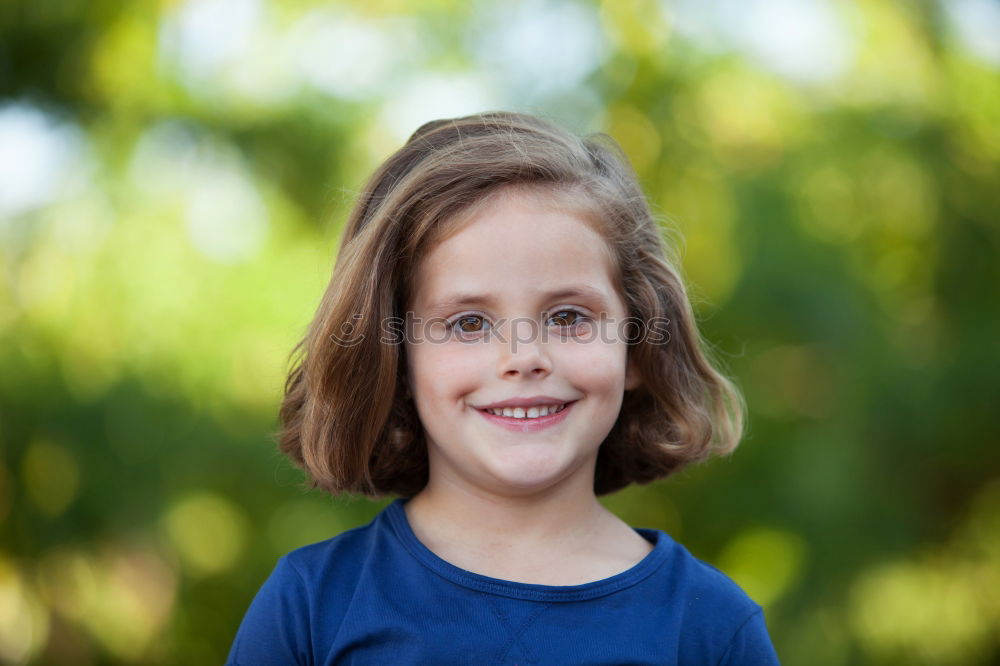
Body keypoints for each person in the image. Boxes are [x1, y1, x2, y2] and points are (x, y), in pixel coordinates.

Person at [226, 112, 781, 665]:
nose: (523, 358)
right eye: (468, 323)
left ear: (637, 346)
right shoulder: (312, 606)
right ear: (396, 359)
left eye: (568, 317)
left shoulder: (711, 628)